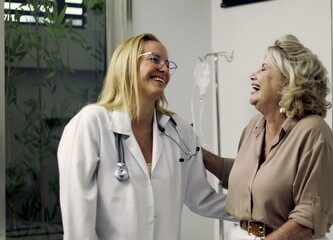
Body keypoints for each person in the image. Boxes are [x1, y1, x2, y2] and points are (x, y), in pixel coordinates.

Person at [57, 33, 232, 240]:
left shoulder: (179, 129)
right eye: (154, 59)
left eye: (167, 64)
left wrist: (260, 212)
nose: (165, 69)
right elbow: (78, 215)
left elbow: (202, 198)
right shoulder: (91, 123)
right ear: (127, 64)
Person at [203, 34, 333, 240]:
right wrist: (198, 153)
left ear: (287, 83)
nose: (253, 75)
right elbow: (253, 178)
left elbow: (308, 217)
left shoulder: (313, 132)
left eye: (263, 68)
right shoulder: (255, 126)